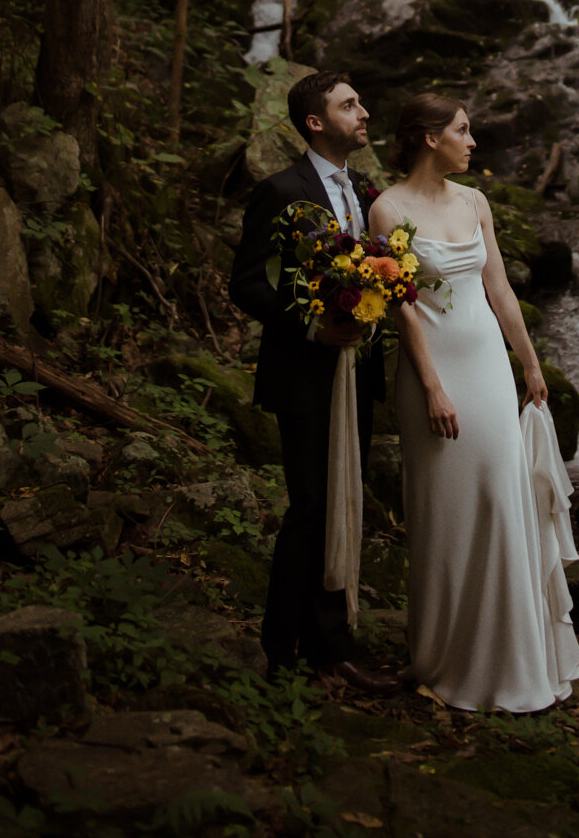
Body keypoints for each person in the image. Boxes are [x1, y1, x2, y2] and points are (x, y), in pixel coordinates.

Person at [368, 93, 579, 713]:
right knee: (444, 511)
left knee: (499, 495)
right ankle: (444, 657)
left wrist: (530, 361)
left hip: (486, 364)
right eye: (464, 131)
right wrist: (432, 384)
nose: (473, 141)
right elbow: (403, 303)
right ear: (429, 138)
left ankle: (511, 660)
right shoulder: (387, 208)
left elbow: (499, 289)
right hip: (431, 370)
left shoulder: (475, 202)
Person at [229, 70, 397, 693]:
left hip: (357, 369)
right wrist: (310, 327)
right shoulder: (280, 190)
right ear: (315, 123)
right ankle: (284, 650)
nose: (365, 113)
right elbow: (245, 282)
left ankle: (331, 647)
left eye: (360, 101)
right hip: (303, 370)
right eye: (350, 105)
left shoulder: (367, 190)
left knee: (345, 505)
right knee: (311, 508)